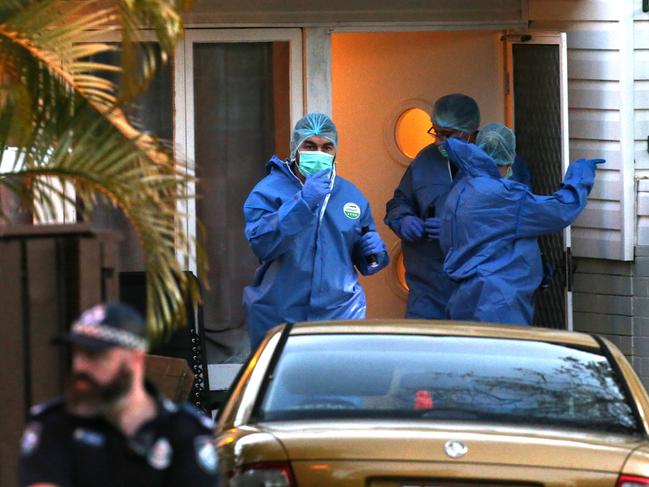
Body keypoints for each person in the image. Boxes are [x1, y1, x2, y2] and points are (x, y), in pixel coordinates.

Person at [18, 302, 218, 487]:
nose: (80, 366)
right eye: (77, 354)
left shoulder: (183, 433)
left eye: (95, 355)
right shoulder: (54, 425)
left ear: (135, 360)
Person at [242, 112, 389, 349]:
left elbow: (365, 260)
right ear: (295, 148)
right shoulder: (267, 191)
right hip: (281, 313)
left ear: (335, 152)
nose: (318, 154)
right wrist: (303, 202)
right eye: (310, 145)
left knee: (336, 384)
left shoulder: (351, 196)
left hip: (340, 314)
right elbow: (262, 244)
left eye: (326, 147)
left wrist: (373, 252)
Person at [438, 123, 604, 325]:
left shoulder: (461, 188)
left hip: (463, 297)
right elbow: (560, 211)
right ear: (508, 158)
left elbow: (482, 240)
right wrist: (579, 176)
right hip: (498, 302)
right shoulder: (504, 195)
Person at [385, 93, 480, 318]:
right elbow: (400, 201)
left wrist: (459, 230)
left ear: (470, 134)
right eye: (435, 132)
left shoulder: (493, 165)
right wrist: (404, 218)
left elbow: (510, 221)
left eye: (446, 134)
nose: (438, 141)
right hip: (427, 286)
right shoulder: (425, 160)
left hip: (476, 288)